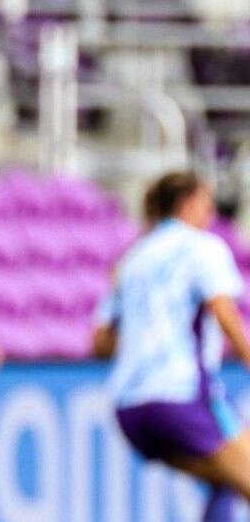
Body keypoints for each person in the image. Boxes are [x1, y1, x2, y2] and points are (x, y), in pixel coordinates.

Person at [94, 171, 250, 520]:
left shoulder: (132, 260)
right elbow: (221, 308)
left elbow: (101, 342)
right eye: (207, 205)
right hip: (182, 395)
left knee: (227, 478)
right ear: (187, 204)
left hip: (130, 408)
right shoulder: (202, 247)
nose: (211, 215)